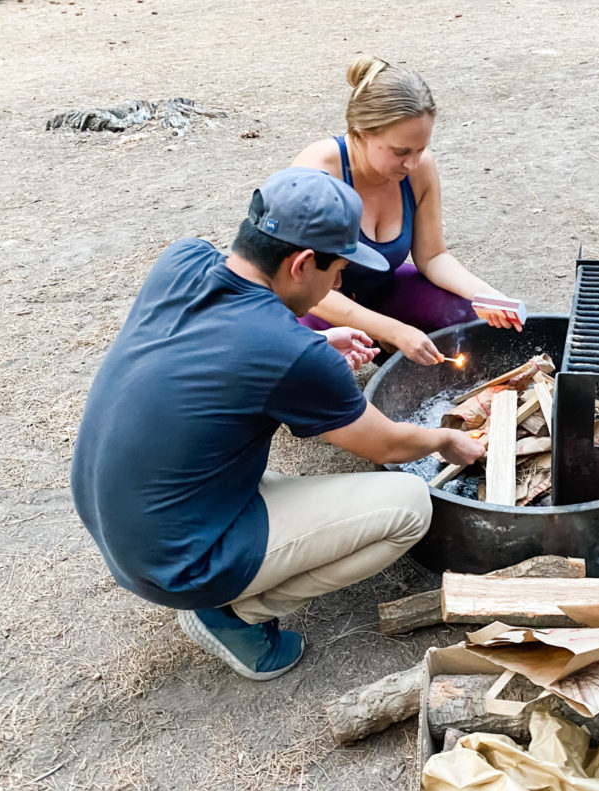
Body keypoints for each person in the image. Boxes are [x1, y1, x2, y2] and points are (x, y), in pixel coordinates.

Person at [71, 168, 484, 681]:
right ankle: (231, 616)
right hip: (176, 559)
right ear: (302, 263)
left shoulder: (183, 259)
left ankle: (221, 581)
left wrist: (314, 343)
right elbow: (391, 444)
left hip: (120, 512)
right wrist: (446, 439)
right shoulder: (284, 353)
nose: (339, 286)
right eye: (338, 272)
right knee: (409, 507)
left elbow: (226, 344)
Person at [291, 56, 521, 365]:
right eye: (401, 152)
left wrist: (487, 296)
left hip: (385, 288)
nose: (412, 163)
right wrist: (394, 330)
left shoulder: (419, 168)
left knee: (471, 318)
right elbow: (302, 285)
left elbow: (433, 257)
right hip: (319, 304)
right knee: (315, 368)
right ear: (360, 134)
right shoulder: (318, 172)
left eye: (421, 149)